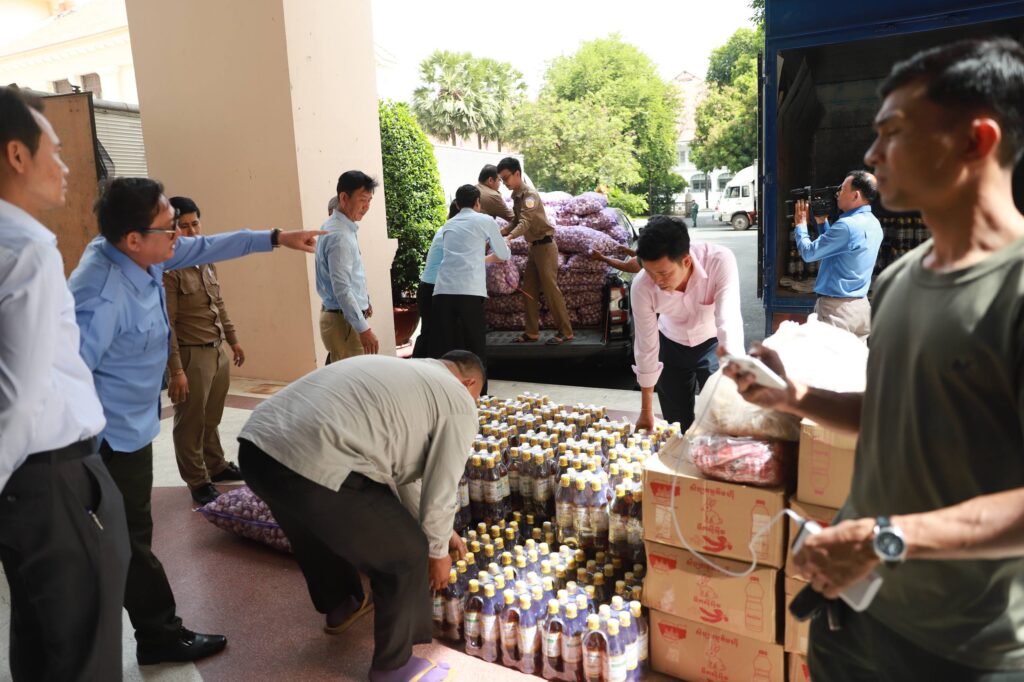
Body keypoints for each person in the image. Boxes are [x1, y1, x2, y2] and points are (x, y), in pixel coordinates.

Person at [726, 38, 1024, 680]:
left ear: (977, 140)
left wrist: (888, 539)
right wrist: (792, 398)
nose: (871, 154)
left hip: (959, 650)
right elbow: (893, 413)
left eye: (893, 132)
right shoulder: (899, 282)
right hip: (854, 617)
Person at [68, 176, 324, 665]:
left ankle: (147, 629)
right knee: (129, 541)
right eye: (170, 228)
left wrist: (277, 237)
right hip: (107, 441)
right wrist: (84, 462)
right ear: (133, 238)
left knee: (127, 538)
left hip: (132, 427)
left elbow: (209, 245)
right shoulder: (99, 295)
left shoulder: (145, 254)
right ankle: (159, 635)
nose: (179, 237)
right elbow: (67, 379)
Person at [238, 351, 484, 682]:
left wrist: (442, 532)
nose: (474, 405)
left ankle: (343, 604)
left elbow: (410, 479)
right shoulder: (458, 400)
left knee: (314, 527)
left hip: (257, 448)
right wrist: (436, 551)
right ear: (469, 383)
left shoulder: (409, 373)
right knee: (406, 555)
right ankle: (394, 667)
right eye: (476, 397)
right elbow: (442, 485)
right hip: (317, 457)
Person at [0, 85, 130, 682]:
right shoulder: (27, 248)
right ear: (16, 155)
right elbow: (19, 392)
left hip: (25, 484)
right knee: (82, 651)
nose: (66, 164)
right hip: (53, 479)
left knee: (40, 641)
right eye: (53, 149)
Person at [164, 195, 246, 506]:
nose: (192, 231)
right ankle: (198, 481)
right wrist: (176, 369)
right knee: (190, 422)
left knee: (211, 416)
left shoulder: (206, 259)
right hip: (190, 355)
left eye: (195, 223)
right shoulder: (169, 269)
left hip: (216, 349)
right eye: (183, 226)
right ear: (172, 230)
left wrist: (233, 339)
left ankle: (216, 465)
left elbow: (218, 303)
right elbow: (167, 324)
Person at [631, 215, 742, 431]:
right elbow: (646, 347)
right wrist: (646, 411)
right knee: (677, 423)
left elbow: (728, 323)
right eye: (649, 272)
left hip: (712, 343)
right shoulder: (642, 286)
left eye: (663, 273)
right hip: (670, 344)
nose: (657, 281)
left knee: (720, 418)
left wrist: (737, 385)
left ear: (686, 262)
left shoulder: (719, 261)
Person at [431, 184, 511, 385]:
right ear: (477, 203)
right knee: (475, 347)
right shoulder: (485, 220)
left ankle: (448, 392)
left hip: (443, 291)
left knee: (447, 349)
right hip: (469, 291)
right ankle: (479, 395)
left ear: (457, 204)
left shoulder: (448, 224)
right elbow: (503, 254)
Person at [793, 171, 883, 339]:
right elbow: (835, 250)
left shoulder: (847, 226)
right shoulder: (874, 223)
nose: (837, 194)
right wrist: (822, 222)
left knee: (830, 355)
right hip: (860, 308)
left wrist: (801, 226)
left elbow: (809, 253)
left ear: (855, 195)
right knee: (857, 355)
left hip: (837, 311)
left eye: (842, 189)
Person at [496, 157, 574, 345]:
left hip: (545, 247)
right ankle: (531, 333)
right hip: (534, 248)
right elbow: (516, 221)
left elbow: (525, 222)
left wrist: (509, 237)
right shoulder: (517, 196)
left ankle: (566, 331)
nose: (504, 182)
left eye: (506, 178)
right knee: (528, 290)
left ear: (517, 173)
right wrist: (499, 233)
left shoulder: (530, 196)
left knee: (550, 291)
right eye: (501, 179)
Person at [316, 170, 379, 362]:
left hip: (343, 319)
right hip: (344, 323)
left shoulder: (339, 227)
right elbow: (342, 288)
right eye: (362, 200)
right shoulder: (340, 236)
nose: (366, 207)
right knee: (353, 378)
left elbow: (350, 277)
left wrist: (363, 301)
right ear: (344, 198)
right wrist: (363, 328)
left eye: (369, 200)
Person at [413, 200, 461, 358]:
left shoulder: (445, 229)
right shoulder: (452, 232)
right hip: (434, 289)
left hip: (429, 287)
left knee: (430, 333)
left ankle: (418, 366)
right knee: (432, 334)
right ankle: (418, 367)